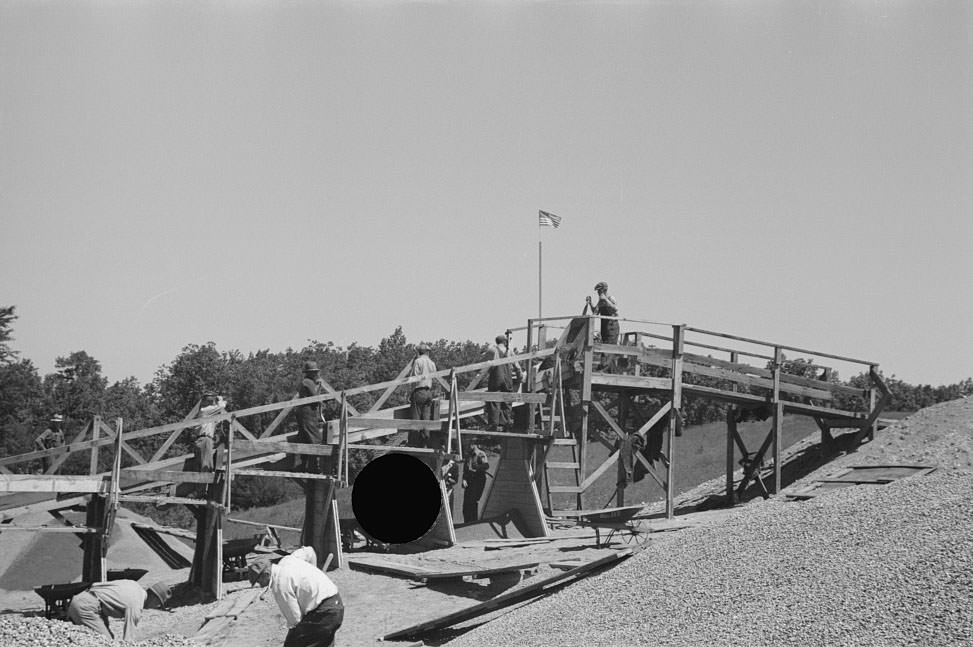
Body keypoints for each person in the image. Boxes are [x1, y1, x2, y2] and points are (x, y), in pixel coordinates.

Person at [248, 546, 343, 647]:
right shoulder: (287, 560)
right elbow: (309, 551)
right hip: (336, 604)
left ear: (266, 574)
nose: (260, 585)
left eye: (259, 581)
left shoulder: (280, 585)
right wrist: (314, 575)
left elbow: (295, 620)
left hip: (324, 613)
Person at [66, 579, 172, 641]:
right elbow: (128, 640)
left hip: (83, 599)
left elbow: (105, 597)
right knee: (106, 642)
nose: (156, 607)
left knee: (108, 637)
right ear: (154, 597)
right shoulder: (136, 604)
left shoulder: (133, 584)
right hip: (86, 607)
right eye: (158, 604)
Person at [483, 334, 523, 431]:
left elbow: (483, 365)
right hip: (507, 379)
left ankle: (493, 425)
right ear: (505, 342)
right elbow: (517, 367)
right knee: (507, 400)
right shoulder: (510, 351)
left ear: (496, 341)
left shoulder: (492, 350)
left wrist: (480, 377)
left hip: (496, 378)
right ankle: (506, 424)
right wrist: (519, 379)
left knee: (493, 399)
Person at [295, 361, 326, 472]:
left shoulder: (306, 382)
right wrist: (319, 390)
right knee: (315, 438)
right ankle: (315, 467)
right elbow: (316, 398)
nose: (316, 374)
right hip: (307, 414)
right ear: (309, 373)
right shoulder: (308, 382)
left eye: (316, 372)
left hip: (304, 413)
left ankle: (302, 466)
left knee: (304, 439)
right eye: (314, 372)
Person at [408, 343, 437, 447]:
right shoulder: (432, 363)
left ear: (419, 352)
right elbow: (435, 376)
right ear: (427, 352)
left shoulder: (418, 361)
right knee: (426, 418)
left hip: (419, 391)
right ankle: (425, 442)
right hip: (428, 392)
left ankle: (414, 444)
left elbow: (414, 378)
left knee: (415, 418)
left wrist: (411, 392)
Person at [194, 393, 226, 473]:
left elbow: (218, 420)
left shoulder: (208, 414)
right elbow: (221, 406)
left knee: (205, 466)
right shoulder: (205, 410)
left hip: (204, 440)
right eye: (210, 400)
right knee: (206, 467)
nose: (212, 402)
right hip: (205, 440)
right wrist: (220, 399)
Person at [462, 444, 490, 523]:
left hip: (478, 480)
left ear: (473, 445)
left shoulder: (480, 454)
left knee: (473, 502)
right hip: (469, 480)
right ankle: (466, 522)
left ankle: (473, 522)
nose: (468, 447)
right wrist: (464, 479)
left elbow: (486, 465)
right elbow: (465, 469)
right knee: (466, 504)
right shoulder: (468, 456)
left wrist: (476, 468)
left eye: (469, 445)